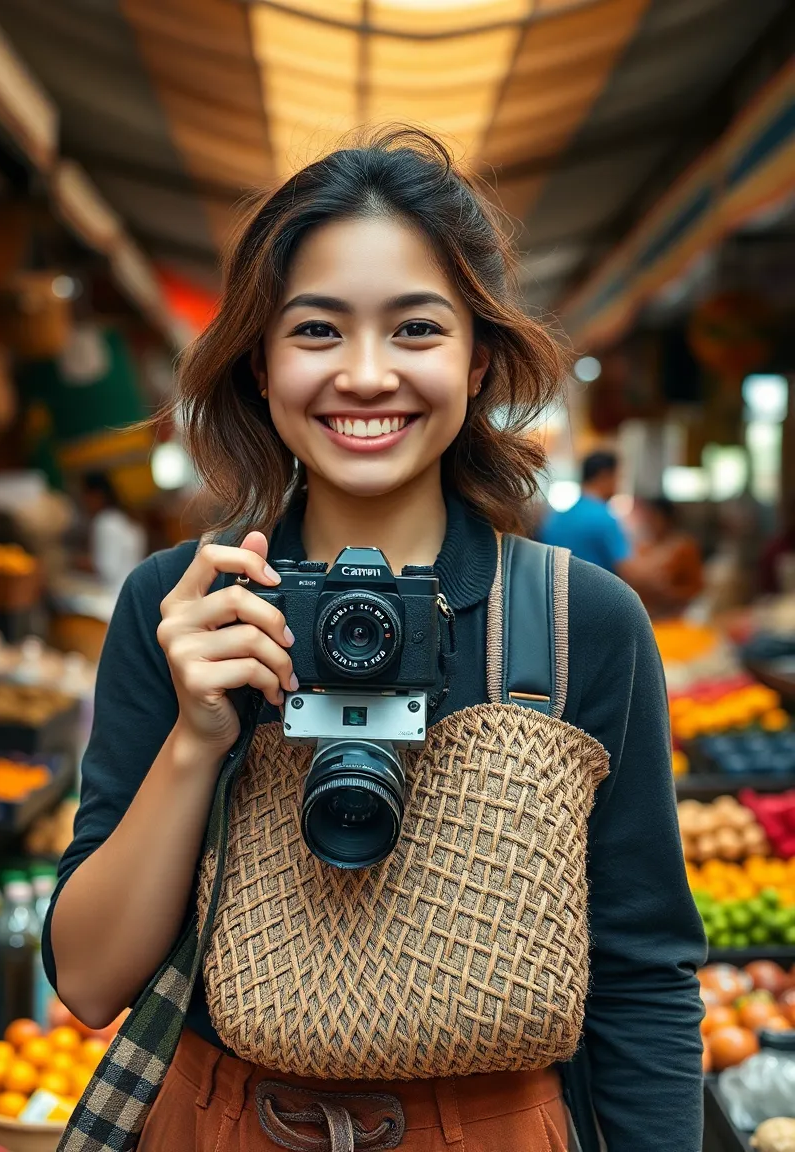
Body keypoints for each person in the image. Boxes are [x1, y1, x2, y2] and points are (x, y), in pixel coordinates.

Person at [45, 130, 704, 1152]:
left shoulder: (584, 625)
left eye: (414, 330)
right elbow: (89, 983)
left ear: (476, 360)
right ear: (259, 363)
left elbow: (641, 979)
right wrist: (194, 740)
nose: (363, 374)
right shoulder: (179, 607)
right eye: (314, 330)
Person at [539, 451, 631, 573]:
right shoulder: (603, 518)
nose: (619, 484)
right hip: (598, 590)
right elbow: (628, 570)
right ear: (605, 476)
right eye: (618, 477)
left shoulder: (557, 519)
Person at [79, 471, 146, 597]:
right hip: (134, 593)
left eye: (85, 496)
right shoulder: (129, 518)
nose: (84, 502)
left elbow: (107, 568)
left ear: (96, 495)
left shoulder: (104, 522)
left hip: (111, 598)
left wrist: (79, 563)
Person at [635, 497, 704, 618]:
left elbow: (696, 588)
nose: (649, 522)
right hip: (647, 614)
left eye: (654, 517)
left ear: (667, 518)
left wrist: (667, 594)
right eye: (647, 518)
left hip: (674, 616)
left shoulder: (684, 547)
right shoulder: (643, 546)